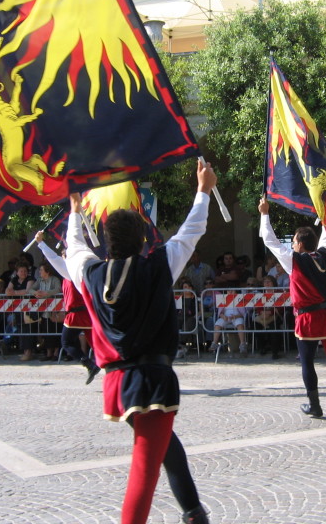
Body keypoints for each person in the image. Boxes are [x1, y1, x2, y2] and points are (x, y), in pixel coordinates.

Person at [63, 159, 215, 524]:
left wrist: (74, 211)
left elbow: (73, 245)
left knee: (163, 447)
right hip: (150, 380)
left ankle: (193, 511)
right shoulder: (158, 265)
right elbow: (190, 232)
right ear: (143, 239)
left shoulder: (89, 272)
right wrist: (204, 189)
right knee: (145, 471)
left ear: (106, 241)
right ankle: (188, 514)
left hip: (117, 382)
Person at [258, 196, 326, 429]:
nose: (292, 244)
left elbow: (270, 240)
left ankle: (315, 405)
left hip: (307, 318)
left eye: (294, 241)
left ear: (301, 244)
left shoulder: (294, 260)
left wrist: (265, 213)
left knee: (307, 362)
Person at [35, 234, 101, 382]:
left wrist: (41, 244)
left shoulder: (70, 270)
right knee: (97, 346)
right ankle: (112, 367)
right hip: (87, 313)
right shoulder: (81, 270)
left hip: (76, 314)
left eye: (64, 255)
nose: (62, 257)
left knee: (67, 342)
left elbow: (53, 258)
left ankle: (90, 364)